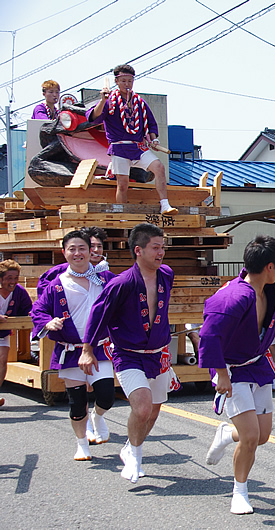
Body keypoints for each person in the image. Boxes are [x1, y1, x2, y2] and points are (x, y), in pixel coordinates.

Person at [199, 236, 275, 515]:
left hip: (257, 364)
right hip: (232, 369)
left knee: (262, 435)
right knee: (250, 438)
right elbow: (208, 336)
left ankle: (226, 434)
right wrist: (221, 373)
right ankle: (239, 491)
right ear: (270, 266)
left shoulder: (271, 287)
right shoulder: (232, 297)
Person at [82, 223, 174, 483]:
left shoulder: (166, 275)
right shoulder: (121, 283)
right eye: (155, 248)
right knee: (142, 408)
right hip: (128, 353)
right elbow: (99, 313)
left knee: (154, 411)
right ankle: (134, 453)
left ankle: (130, 447)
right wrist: (88, 349)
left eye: (162, 247)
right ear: (138, 250)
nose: (161, 252)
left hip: (158, 353)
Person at [31, 231, 116, 460]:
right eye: (72, 249)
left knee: (106, 395)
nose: (77, 253)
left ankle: (98, 417)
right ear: (64, 253)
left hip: (100, 349)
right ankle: (82, 444)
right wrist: (48, 322)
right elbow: (38, 310)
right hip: (70, 351)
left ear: (91, 251)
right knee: (77, 403)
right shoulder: (57, 284)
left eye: (82, 248)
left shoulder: (106, 279)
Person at [86, 64, 177, 215]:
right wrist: (102, 100)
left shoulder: (139, 102)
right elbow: (93, 117)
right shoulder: (110, 101)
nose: (127, 84)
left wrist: (153, 139)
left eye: (130, 81)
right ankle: (122, 215)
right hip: (119, 148)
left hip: (138, 147)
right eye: (123, 81)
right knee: (122, 183)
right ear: (116, 81)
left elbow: (150, 123)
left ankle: (165, 205)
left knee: (159, 167)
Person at [38, 227, 109, 297]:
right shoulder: (59, 272)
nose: (96, 250)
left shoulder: (105, 275)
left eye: (99, 246)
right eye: (92, 246)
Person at [0, 260, 33, 408]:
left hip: (3, 333)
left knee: (2, 360)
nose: (12, 282)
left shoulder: (19, 291)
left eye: (15, 278)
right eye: (8, 278)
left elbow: (28, 309)